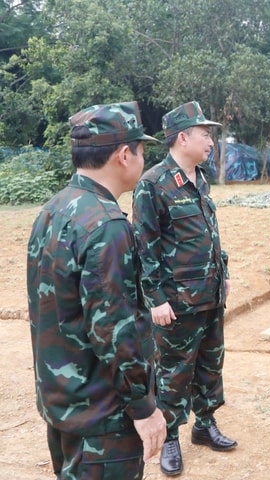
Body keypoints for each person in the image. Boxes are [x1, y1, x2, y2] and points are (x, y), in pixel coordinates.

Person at [26, 102, 167, 479]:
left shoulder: (53, 210)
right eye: (141, 150)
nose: (142, 159)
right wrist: (144, 407)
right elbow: (115, 330)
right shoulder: (107, 225)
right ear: (124, 155)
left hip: (64, 404)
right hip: (103, 417)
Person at [132, 101, 235, 477]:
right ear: (182, 137)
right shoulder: (153, 184)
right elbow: (145, 246)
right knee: (174, 370)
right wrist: (155, 299)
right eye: (204, 134)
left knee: (211, 363)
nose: (210, 141)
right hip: (176, 302)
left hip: (209, 295)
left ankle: (205, 424)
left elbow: (207, 234)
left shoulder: (200, 178)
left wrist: (222, 270)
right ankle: (171, 435)